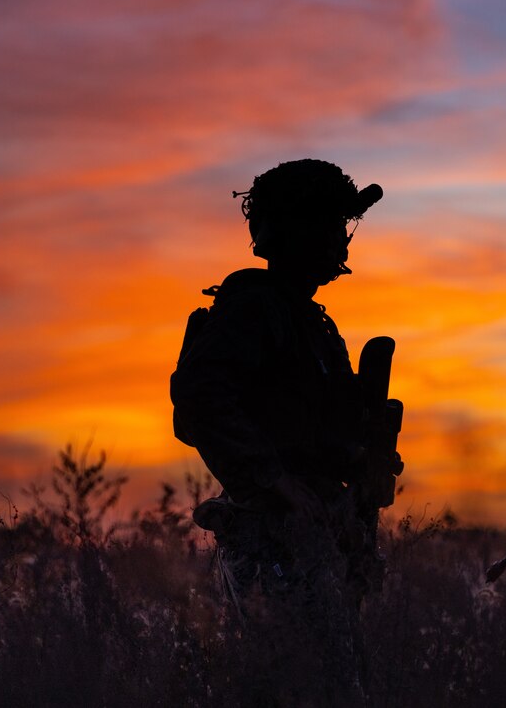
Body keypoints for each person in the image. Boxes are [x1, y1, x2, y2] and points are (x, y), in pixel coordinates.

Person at [170, 159, 399, 705]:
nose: (342, 241)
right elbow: (200, 402)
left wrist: (365, 462)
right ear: (298, 231)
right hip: (272, 533)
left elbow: (322, 432)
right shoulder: (253, 306)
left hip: (316, 531)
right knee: (296, 685)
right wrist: (274, 481)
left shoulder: (311, 324)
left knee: (334, 683)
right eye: (331, 225)